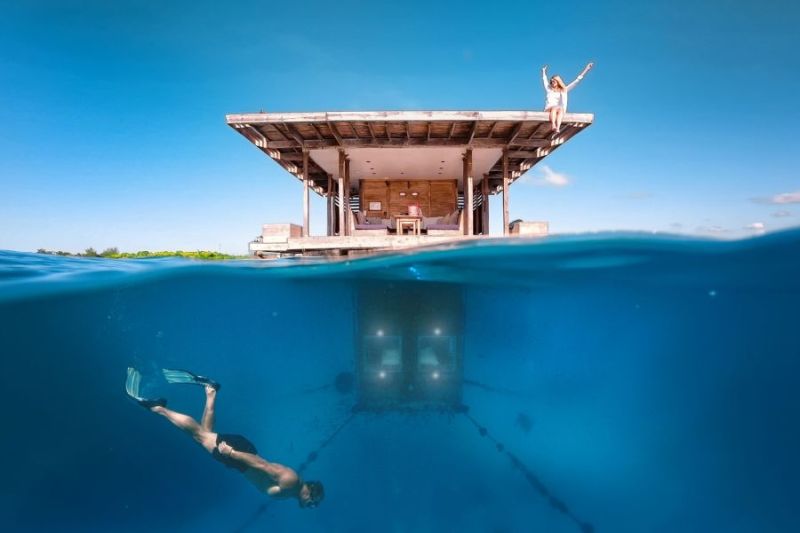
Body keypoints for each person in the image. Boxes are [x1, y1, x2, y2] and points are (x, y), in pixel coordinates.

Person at [125, 367, 324, 508]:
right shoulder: (291, 481)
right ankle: (158, 408)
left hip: (241, 459)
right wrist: (233, 453)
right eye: (313, 504)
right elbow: (263, 466)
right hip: (240, 456)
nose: (311, 506)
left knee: (204, 434)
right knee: (200, 436)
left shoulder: (291, 489)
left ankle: (211, 391)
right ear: (311, 493)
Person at [541, 62, 594, 133]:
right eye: (551, 81)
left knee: (560, 109)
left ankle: (557, 128)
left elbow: (576, 81)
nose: (552, 82)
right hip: (548, 109)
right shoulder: (549, 89)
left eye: (554, 81)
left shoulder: (563, 90)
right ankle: (553, 124)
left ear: (558, 82)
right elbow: (544, 80)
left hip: (558, 109)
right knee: (555, 107)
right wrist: (544, 72)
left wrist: (587, 69)